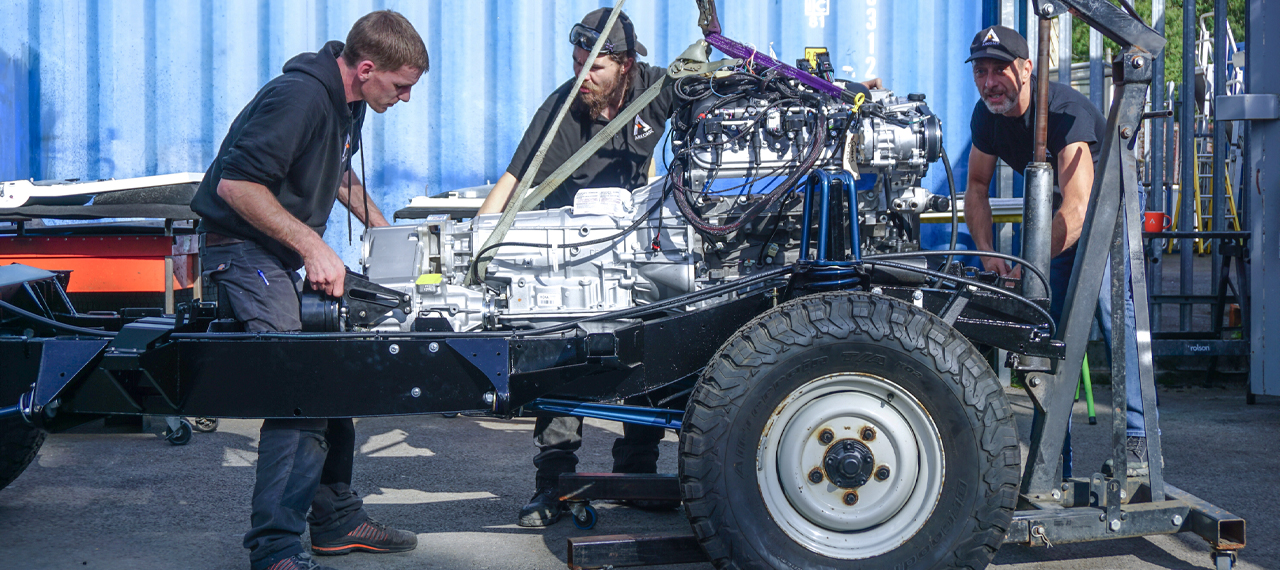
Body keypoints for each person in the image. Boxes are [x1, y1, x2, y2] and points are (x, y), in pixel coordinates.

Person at [190, 11, 427, 570]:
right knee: (300, 385)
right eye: (400, 87)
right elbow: (238, 185)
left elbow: (339, 174)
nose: (405, 99)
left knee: (333, 366)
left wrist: (385, 231)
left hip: (275, 254)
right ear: (366, 68)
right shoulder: (298, 97)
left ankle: (338, 521)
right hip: (241, 252)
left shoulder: (347, 104)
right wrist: (315, 248)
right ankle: (274, 549)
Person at [476, 8, 679, 528]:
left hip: (634, 252)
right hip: (571, 260)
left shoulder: (655, 90)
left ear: (626, 65)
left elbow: (721, 78)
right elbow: (511, 181)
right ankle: (552, 485)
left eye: (595, 68)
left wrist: (843, 90)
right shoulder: (561, 112)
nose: (582, 78)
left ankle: (640, 473)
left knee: (650, 355)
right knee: (561, 365)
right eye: (576, 64)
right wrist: (475, 248)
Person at [962, 25, 1153, 478]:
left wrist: (1031, 264)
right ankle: (1051, 459)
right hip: (1056, 207)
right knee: (1046, 319)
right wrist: (988, 252)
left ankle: (1139, 442)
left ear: (1028, 68)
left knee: (1108, 306)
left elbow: (1082, 206)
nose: (990, 81)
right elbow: (975, 186)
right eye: (982, 71)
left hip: (1110, 199)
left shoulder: (1064, 111)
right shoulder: (986, 117)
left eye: (1001, 70)